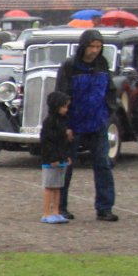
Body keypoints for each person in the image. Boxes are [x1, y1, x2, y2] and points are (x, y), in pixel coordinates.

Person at [55, 28, 118, 221]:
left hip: (98, 122)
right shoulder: (69, 66)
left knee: (103, 165)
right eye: (92, 46)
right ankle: (60, 206)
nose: (95, 50)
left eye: (98, 46)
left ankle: (104, 208)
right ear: (83, 46)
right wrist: (64, 124)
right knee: (66, 166)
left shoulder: (102, 64)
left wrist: (108, 111)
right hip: (74, 123)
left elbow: (110, 90)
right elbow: (60, 95)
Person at [39, 90, 73, 224]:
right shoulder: (49, 122)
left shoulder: (63, 121)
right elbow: (47, 142)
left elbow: (63, 142)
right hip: (51, 160)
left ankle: (56, 211)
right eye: (64, 106)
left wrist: (66, 156)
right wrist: (53, 158)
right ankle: (46, 213)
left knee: (58, 187)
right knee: (49, 187)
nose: (66, 109)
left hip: (61, 159)